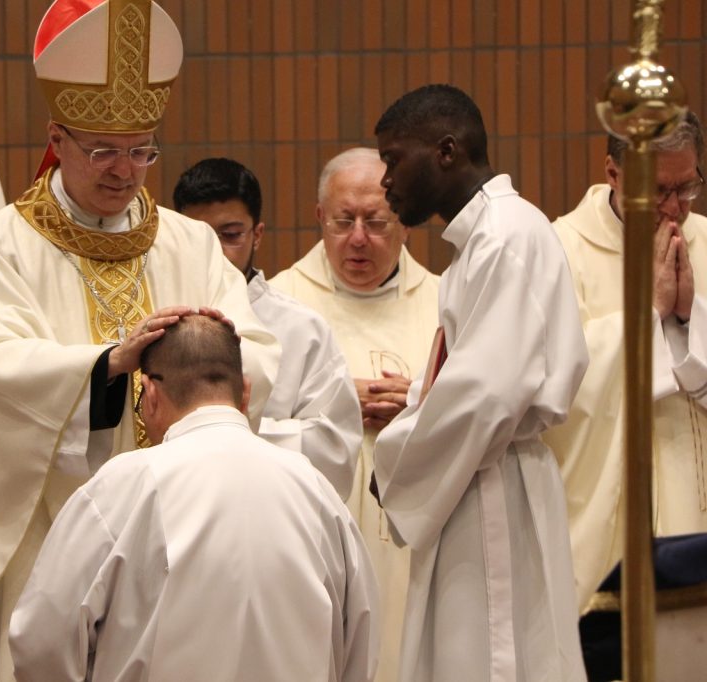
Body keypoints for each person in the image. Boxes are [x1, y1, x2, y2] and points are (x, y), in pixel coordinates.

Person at [0, 2, 278, 680]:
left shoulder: (189, 243)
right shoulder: (0, 247)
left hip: (177, 532)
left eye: (141, 150)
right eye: (102, 150)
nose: (124, 170)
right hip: (44, 538)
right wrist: (109, 363)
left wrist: (202, 355)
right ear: (58, 137)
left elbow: (253, 350)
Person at [8, 314, 380, 682]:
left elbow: (40, 641)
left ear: (149, 393)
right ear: (246, 392)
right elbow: (360, 638)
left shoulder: (119, 488)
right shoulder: (317, 492)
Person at [372, 84, 589, 682]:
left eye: (393, 159)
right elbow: (463, 380)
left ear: (446, 150)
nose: (385, 180)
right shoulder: (477, 246)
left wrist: (391, 464)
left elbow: (486, 394)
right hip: (477, 475)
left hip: (491, 482)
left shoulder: (506, 236)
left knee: (491, 659)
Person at [269, 147, 439, 682]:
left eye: (377, 222)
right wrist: (334, 407)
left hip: (414, 543)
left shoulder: (446, 302)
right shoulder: (275, 306)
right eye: (344, 222)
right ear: (320, 217)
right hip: (312, 538)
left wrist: (423, 403)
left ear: (405, 223)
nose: (359, 239)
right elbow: (245, 427)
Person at [544, 112, 707, 612]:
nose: (675, 208)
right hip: (600, 510)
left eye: (688, 187)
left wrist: (689, 317)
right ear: (613, 173)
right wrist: (646, 316)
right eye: (658, 190)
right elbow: (551, 384)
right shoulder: (558, 250)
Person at [172, 157, 362, 498]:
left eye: (230, 235)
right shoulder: (159, 318)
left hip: (271, 510)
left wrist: (215, 436)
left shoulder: (303, 330)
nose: (214, 252)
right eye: (197, 236)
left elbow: (334, 452)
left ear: (257, 235)